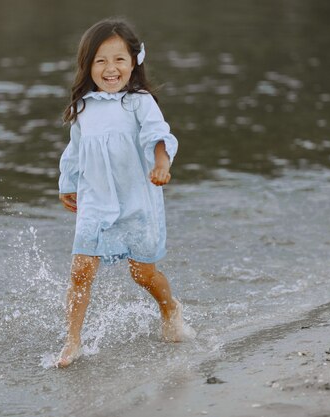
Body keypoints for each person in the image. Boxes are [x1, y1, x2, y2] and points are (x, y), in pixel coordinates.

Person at [56, 18, 195, 368]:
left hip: (136, 201)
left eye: (119, 59)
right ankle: (72, 341)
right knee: (81, 270)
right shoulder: (83, 107)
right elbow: (74, 150)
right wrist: (67, 184)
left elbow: (157, 135)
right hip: (95, 200)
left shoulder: (139, 102)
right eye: (100, 60)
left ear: (133, 62)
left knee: (142, 273)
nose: (110, 68)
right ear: (88, 65)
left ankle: (169, 307)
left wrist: (162, 164)